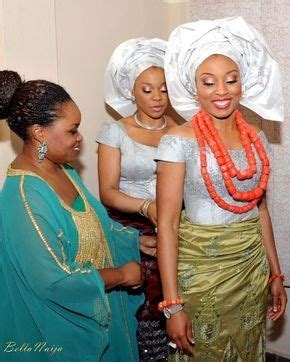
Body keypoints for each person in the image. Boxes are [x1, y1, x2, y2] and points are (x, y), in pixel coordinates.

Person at [156, 17, 287, 361]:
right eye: (209, 82)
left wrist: (275, 272)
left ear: (243, 83)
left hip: (251, 269)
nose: (222, 91)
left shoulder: (255, 138)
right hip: (202, 274)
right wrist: (172, 306)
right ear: (193, 88)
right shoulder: (177, 141)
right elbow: (167, 224)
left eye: (231, 80)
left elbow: (260, 208)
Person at [0, 70, 155, 362]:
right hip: (55, 337)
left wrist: (138, 240)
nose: (80, 137)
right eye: (72, 130)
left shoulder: (65, 171)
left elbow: (93, 223)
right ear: (39, 132)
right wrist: (121, 275)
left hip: (100, 317)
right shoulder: (24, 197)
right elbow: (53, 281)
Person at [97, 38, 176, 360]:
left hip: (174, 226)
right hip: (131, 228)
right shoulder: (115, 131)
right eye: (147, 89)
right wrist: (147, 208)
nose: (157, 98)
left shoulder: (182, 131)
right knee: (142, 312)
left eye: (164, 89)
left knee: (178, 307)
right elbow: (108, 192)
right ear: (131, 91)